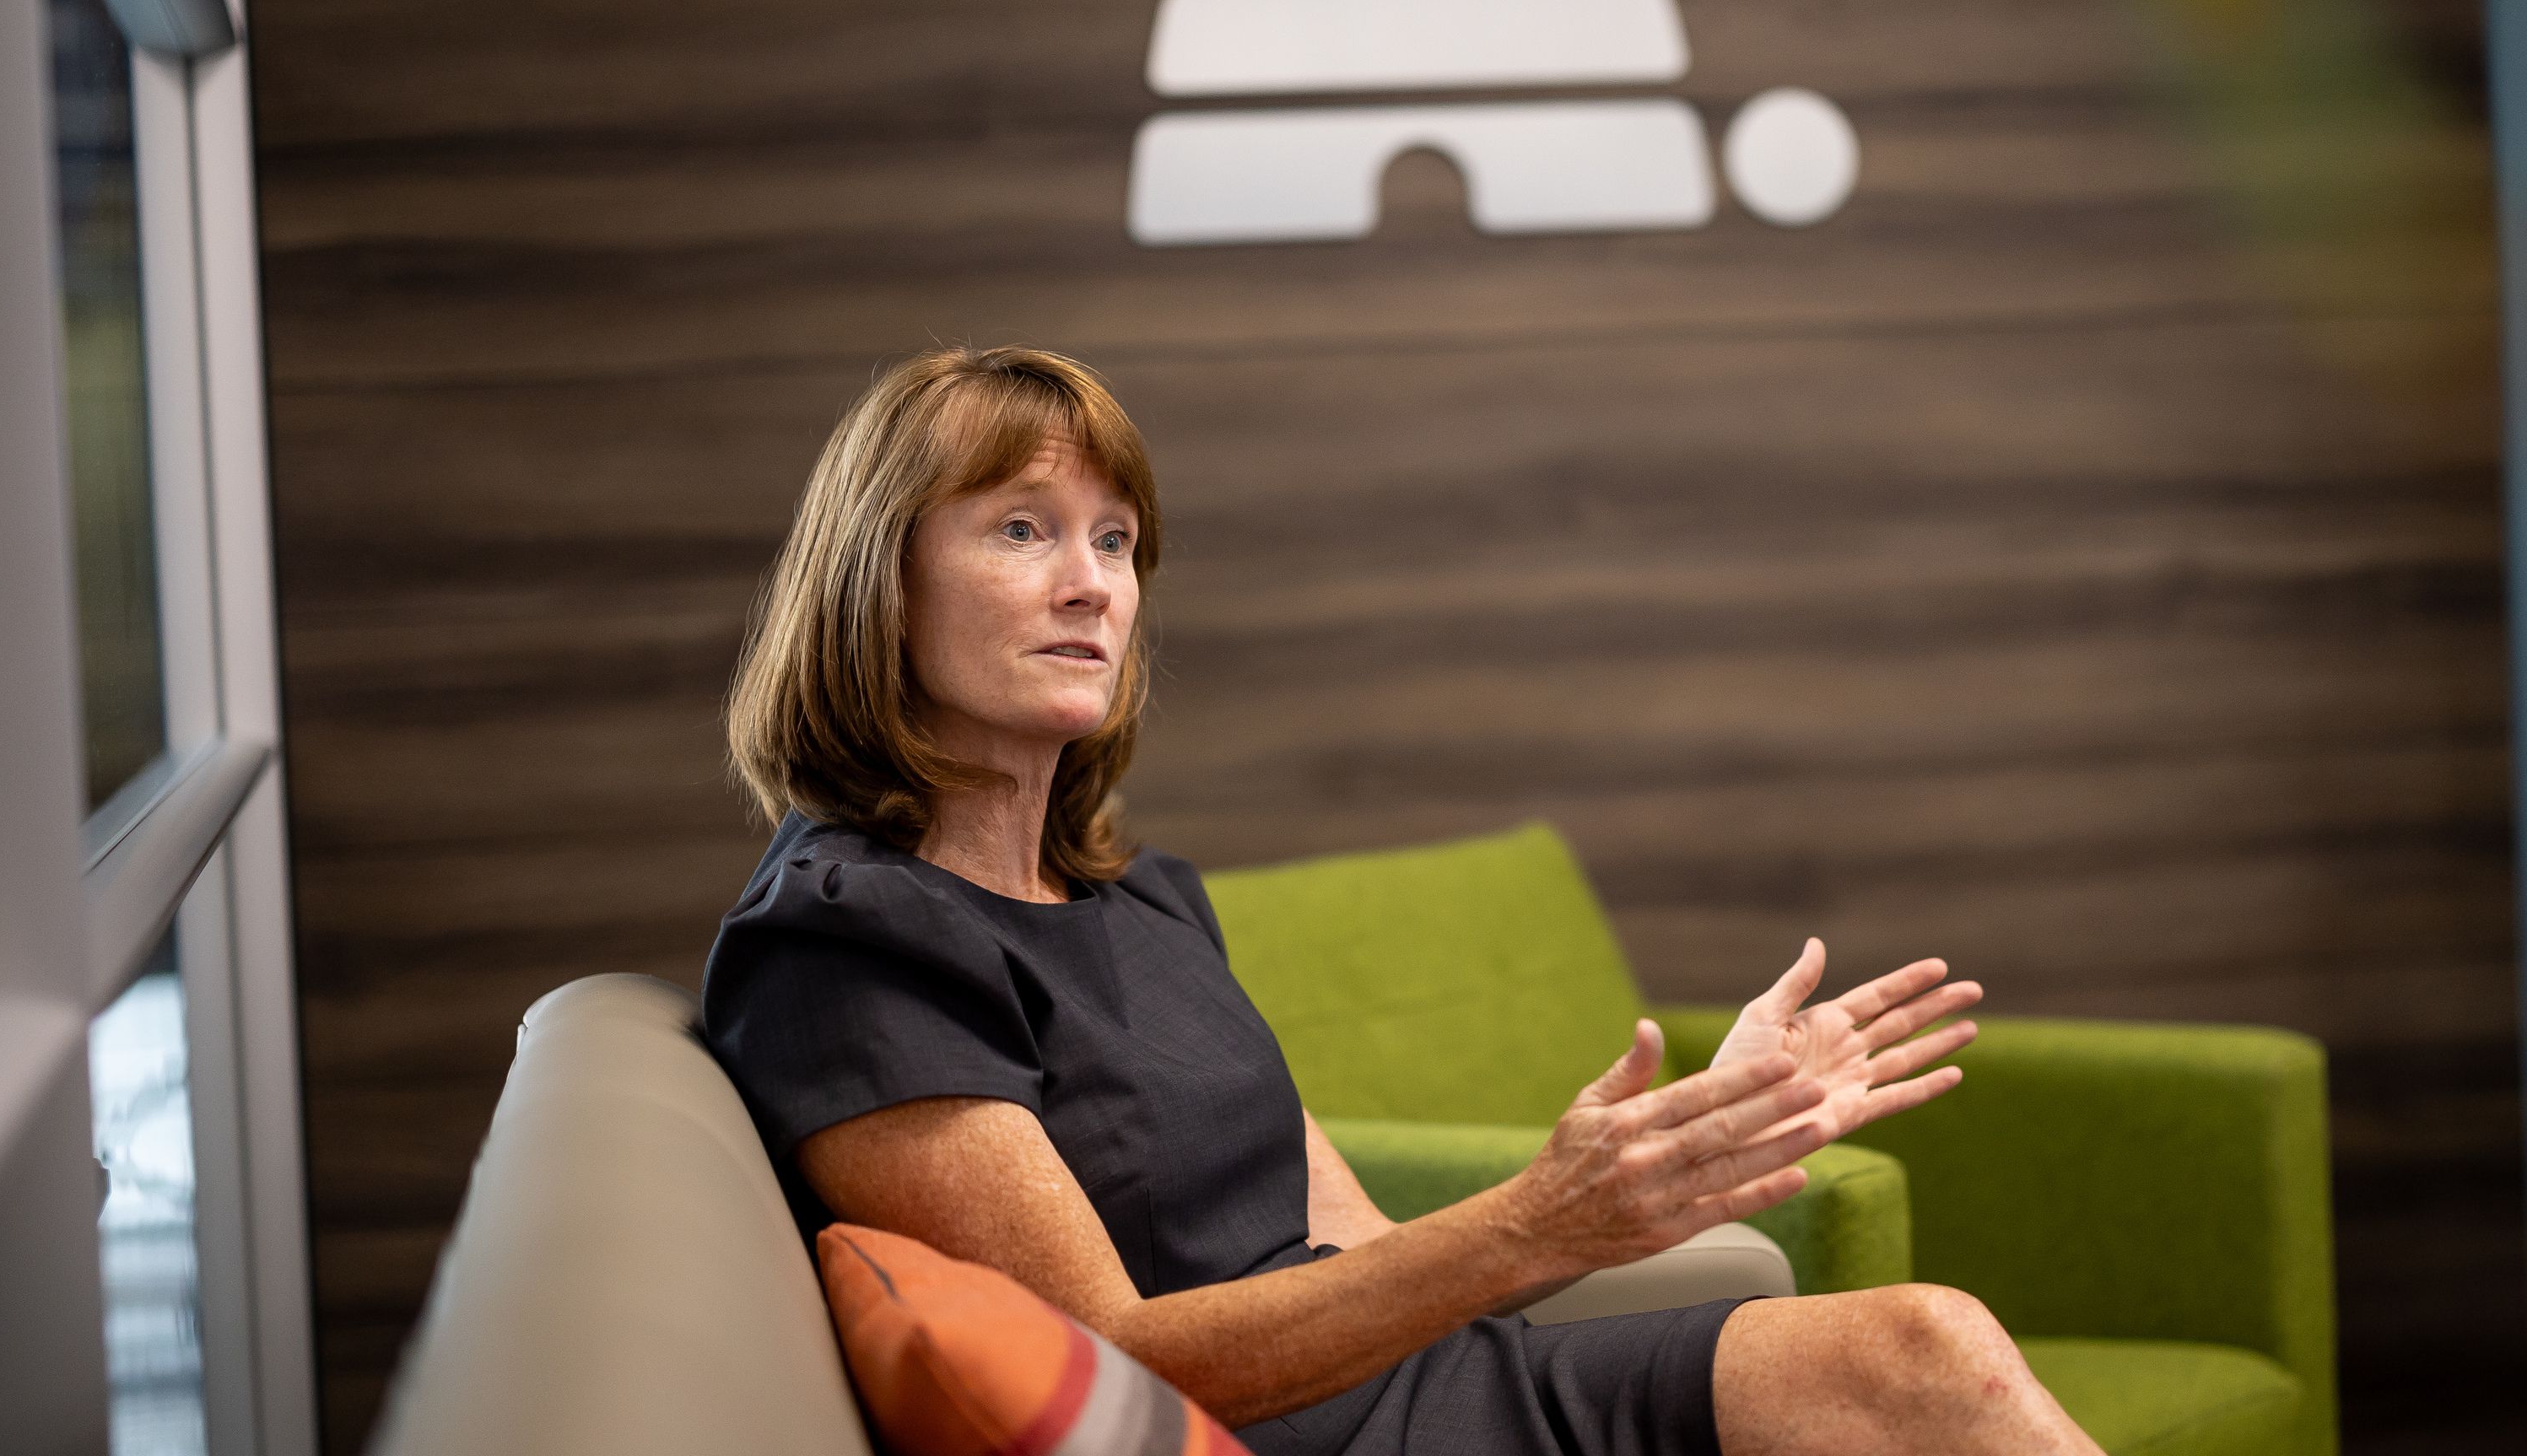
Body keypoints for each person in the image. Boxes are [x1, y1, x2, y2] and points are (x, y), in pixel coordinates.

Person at [701, 347, 2104, 1456]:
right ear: (881, 583)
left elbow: (1362, 1251)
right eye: (1024, 530)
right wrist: (1543, 1220)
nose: (1093, 589)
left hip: (1421, 1388)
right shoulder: (850, 939)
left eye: (1118, 541)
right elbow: (1107, 1358)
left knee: (1932, 1348)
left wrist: (1669, 1160)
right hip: (1286, 1434)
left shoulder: (1141, 897)